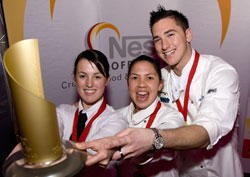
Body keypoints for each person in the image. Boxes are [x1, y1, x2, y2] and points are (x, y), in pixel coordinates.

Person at [75, 6, 243, 177]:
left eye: (170, 35)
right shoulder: (158, 78)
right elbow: (136, 121)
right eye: (157, 39)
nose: (164, 45)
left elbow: (207, 130)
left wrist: (155, 139)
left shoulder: (219, 72)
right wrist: (113, 147)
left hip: (222, 171)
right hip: (181, 171)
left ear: (188, 35)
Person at [2, 49, 127, 177]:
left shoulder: (117, 120)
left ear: (107, 81)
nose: (89, 83)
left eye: (97, 77)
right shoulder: (63, 112)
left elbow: (90, 151)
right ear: (74, 78)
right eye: (83, 76)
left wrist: (48, 145)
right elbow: (50, 132)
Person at [116, 55, 184, 177]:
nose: (141, 84)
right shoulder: (116, 117)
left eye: (149, 78)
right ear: (128, 83)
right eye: (135, 77)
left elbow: (167, 134)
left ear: (160, 85)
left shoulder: (172, 117)